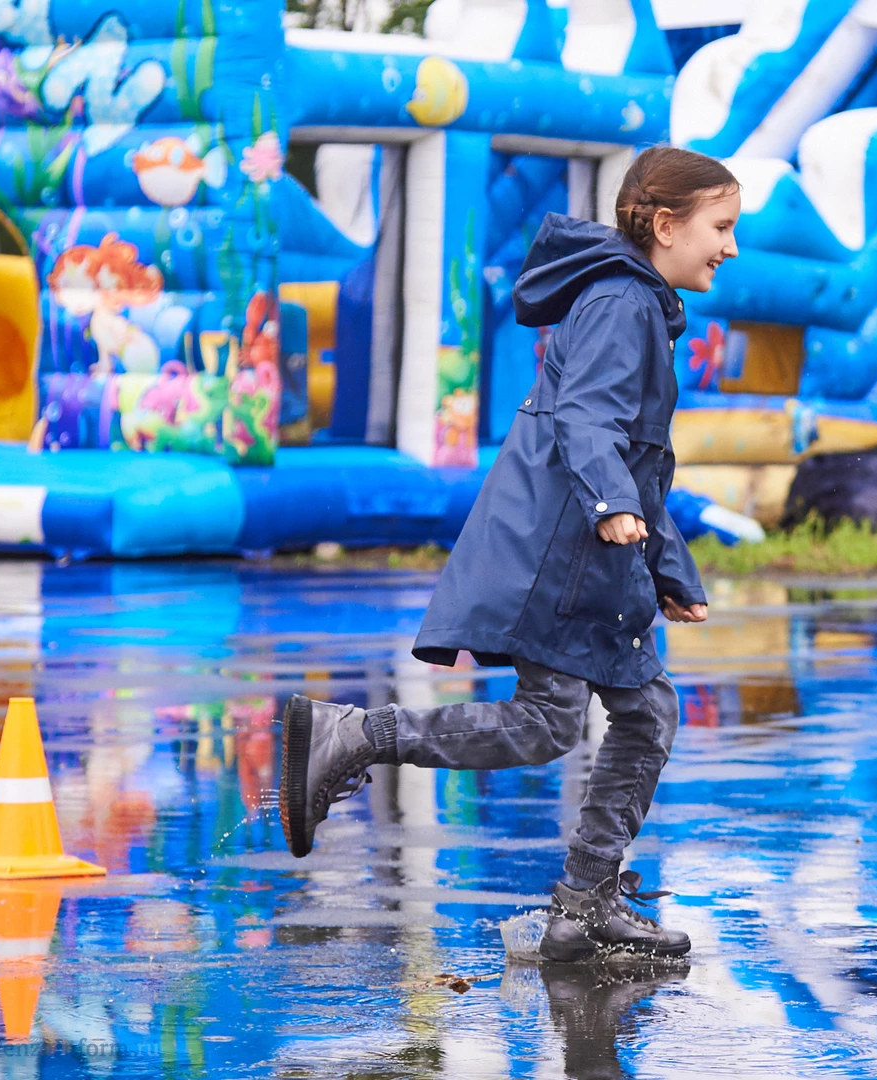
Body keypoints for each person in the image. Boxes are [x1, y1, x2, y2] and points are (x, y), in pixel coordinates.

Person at [278, 147, 740, 962]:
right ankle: (353, 736)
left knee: (644, 713)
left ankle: (586, 903)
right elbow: (587, 420)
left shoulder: (637, 301)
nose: (731, 247)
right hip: (557, 554)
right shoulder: (621, 302)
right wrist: (613, 506)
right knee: (546, 723)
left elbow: (640, 460)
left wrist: (667, 566)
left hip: (591, 555)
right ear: (667, 226)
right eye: (722, 227)